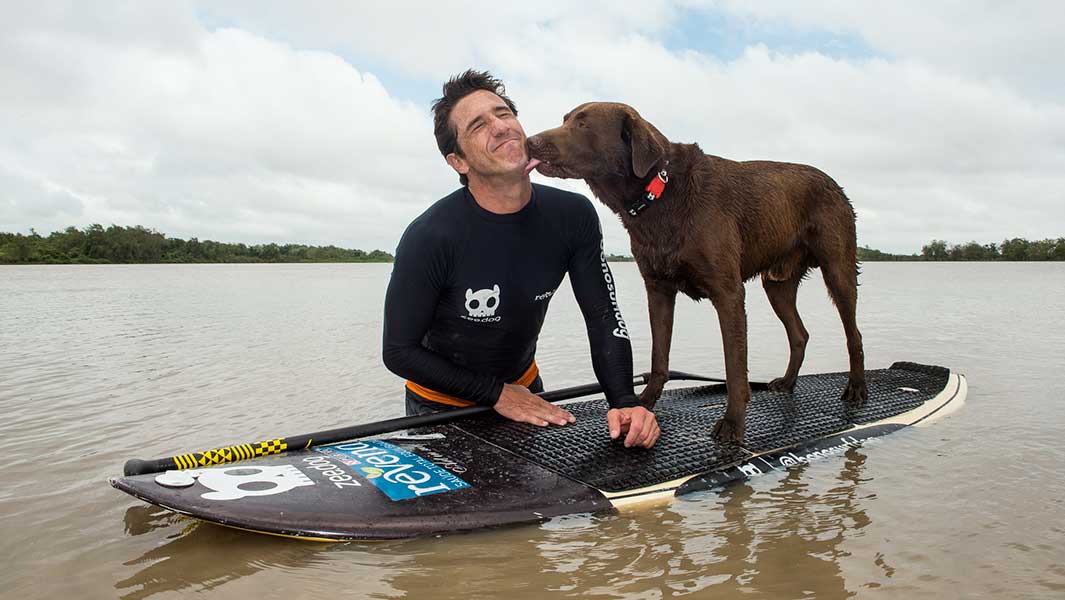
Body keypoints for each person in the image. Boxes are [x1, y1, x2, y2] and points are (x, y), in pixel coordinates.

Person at [382, 70, 659, 448]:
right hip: (440, 407)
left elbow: (602, 316)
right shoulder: (431, 236)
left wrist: (625, 401)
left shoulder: (572, 216)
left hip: (526, 393)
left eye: (504, 114)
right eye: (478, 125)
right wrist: (497, 394)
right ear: (458, 161)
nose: (500, 127)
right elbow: (398, 352)